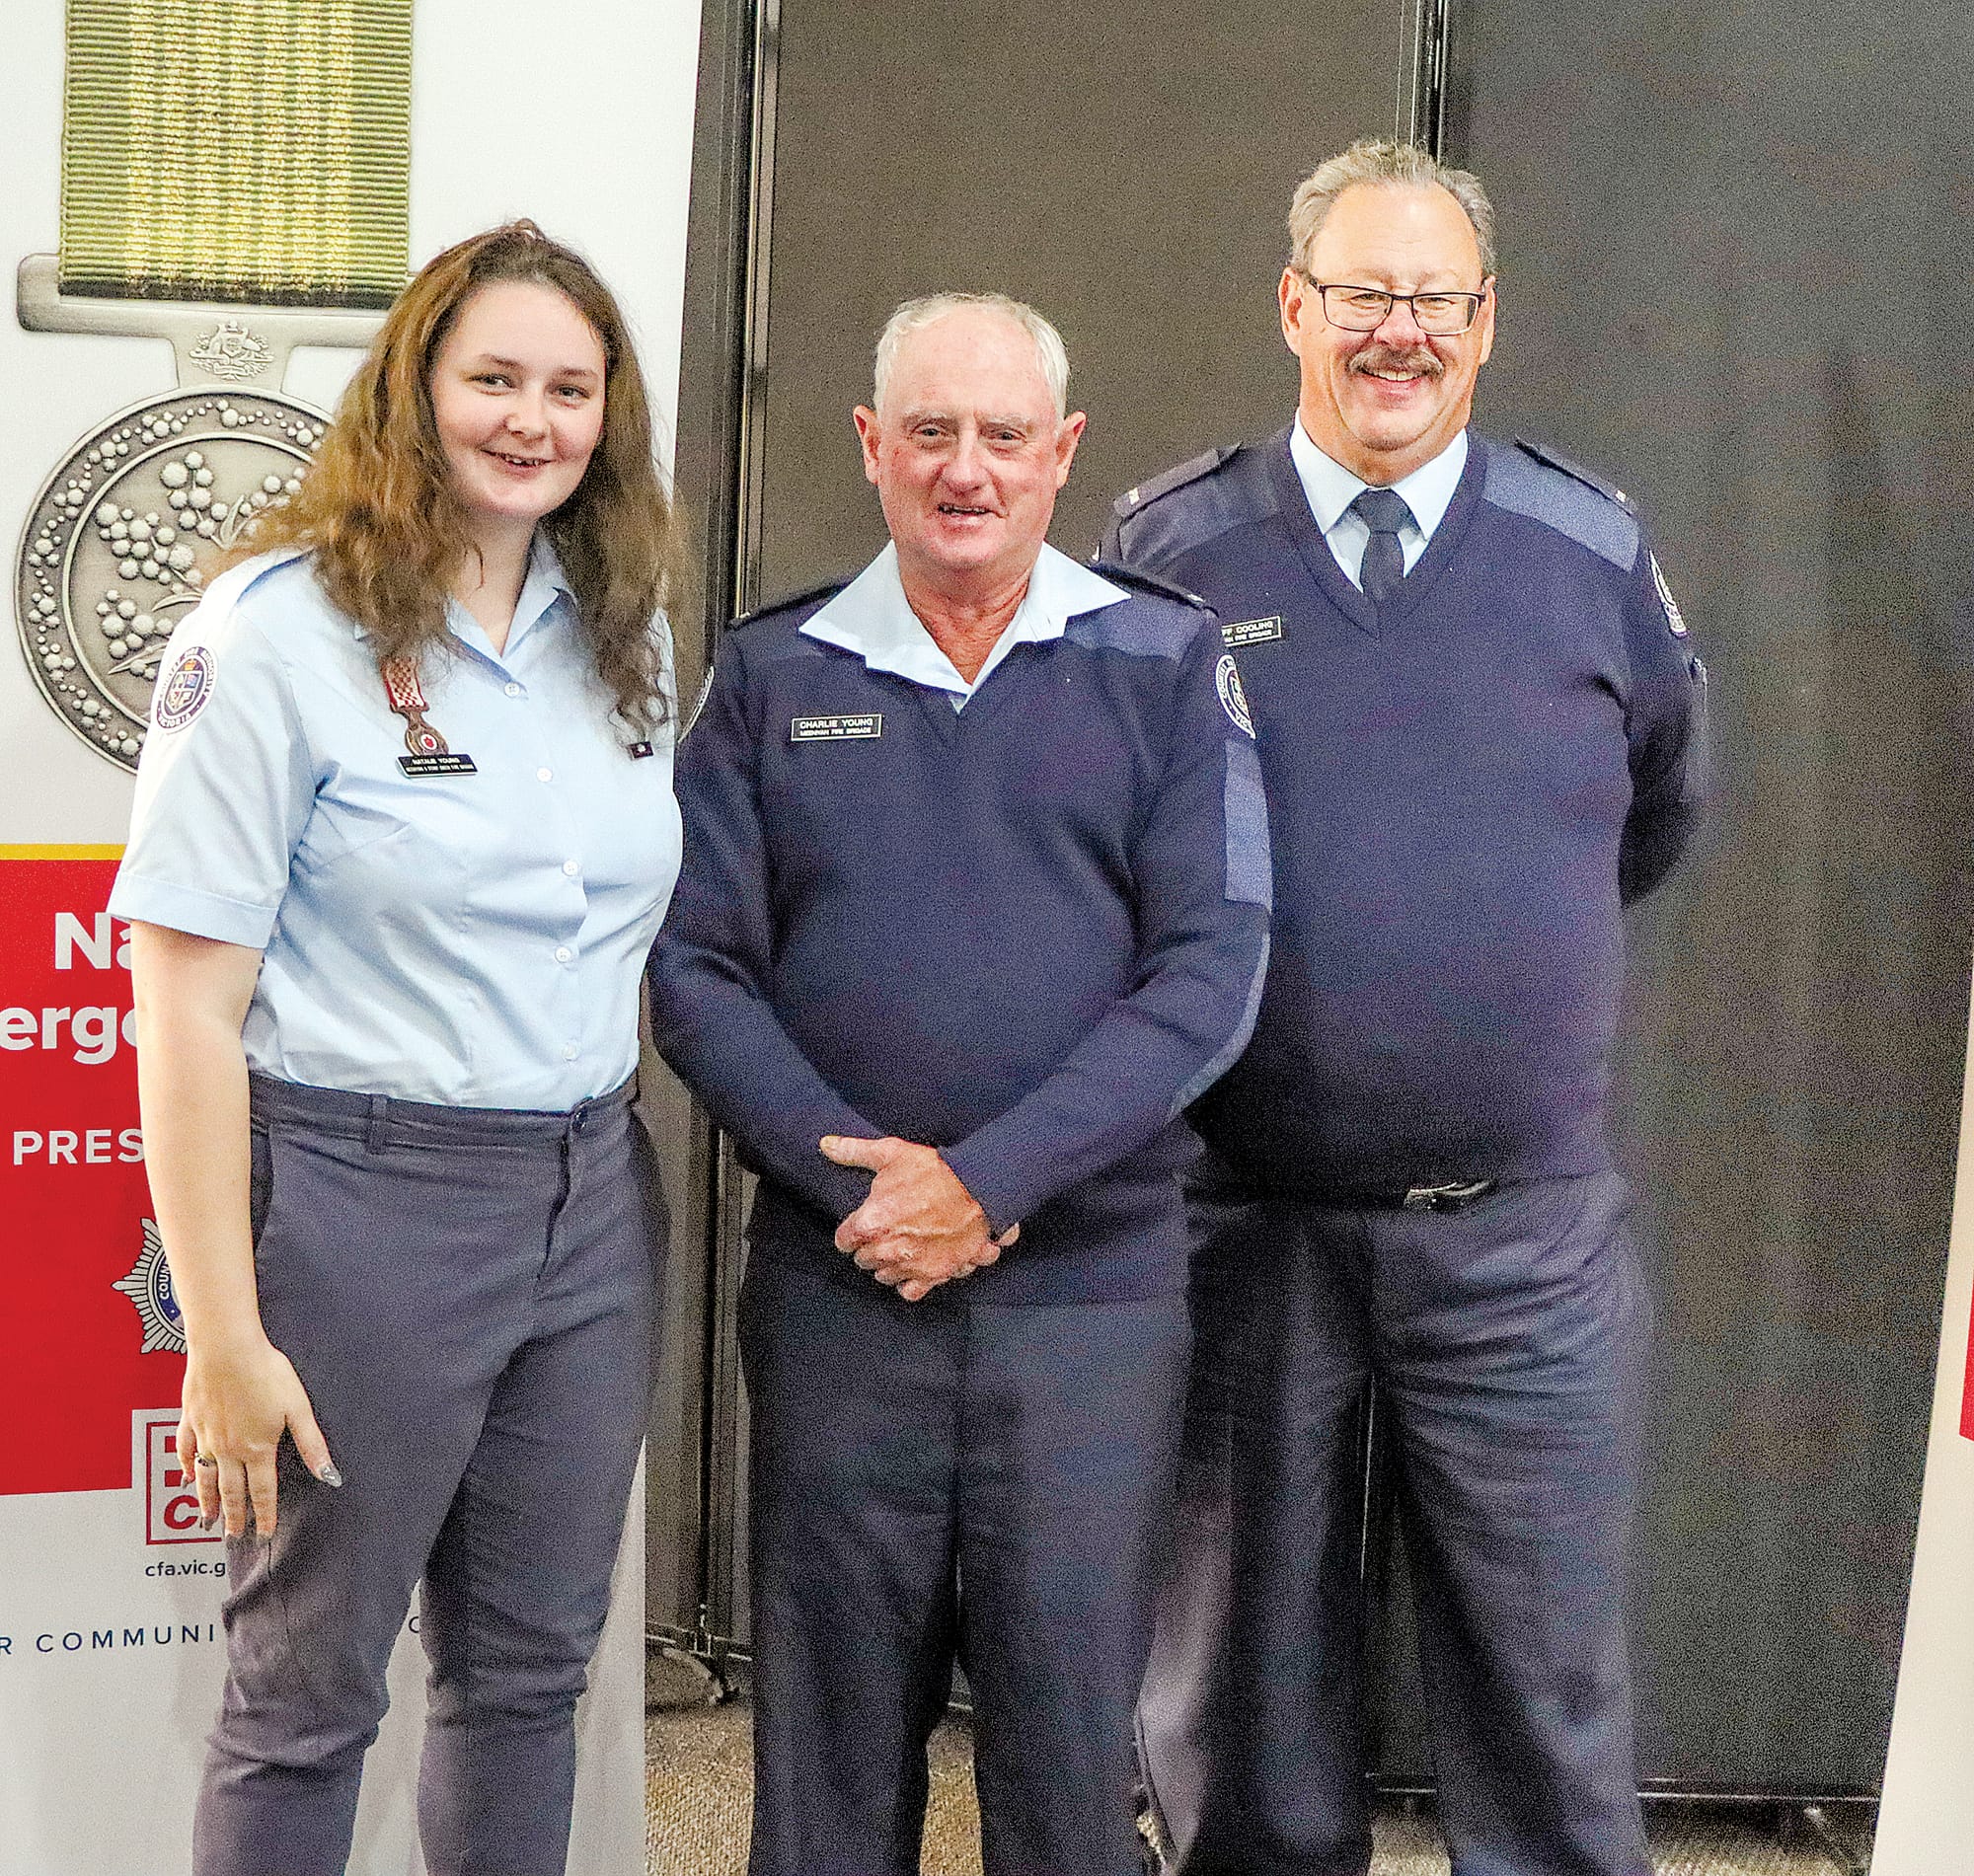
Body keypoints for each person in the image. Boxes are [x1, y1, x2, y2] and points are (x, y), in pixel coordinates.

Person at [1104, 140, 1707, 1876]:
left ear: (1488, 322)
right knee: (1242, 1725)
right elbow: (1098, 846)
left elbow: (1657, 808)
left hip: (1519, 1252)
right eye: (1363, 294)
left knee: (1545, 1715)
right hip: (1245, 1237)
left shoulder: (1588, 550)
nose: (1399, 332)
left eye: (1434, 300)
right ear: (1295, 306)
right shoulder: (1172, 552)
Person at [650, 291, 1271, 1876]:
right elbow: (696, 971)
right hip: (839, 1294)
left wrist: (985, 1180)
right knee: (824, 1772)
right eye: (930, 430)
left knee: (1069, 1778)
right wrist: (873, 1191)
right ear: (872, 446)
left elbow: (1210, 975)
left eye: (1005, 434)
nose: (967, 467)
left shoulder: (1162, 660)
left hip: (1091, 1311)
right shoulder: (773, 674)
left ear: (1063, 452)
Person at [111, 221, 683, 1876]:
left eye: (569, 388)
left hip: (589, 1198)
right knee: (307, 1698)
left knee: (526, 1680)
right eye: (492, 377)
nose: (533, 418)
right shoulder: (276, 630)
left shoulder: (616, 626)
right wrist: (223, 1326)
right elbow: (187, 1004)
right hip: (364, 1206)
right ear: (412, 389)